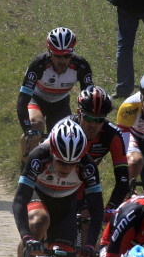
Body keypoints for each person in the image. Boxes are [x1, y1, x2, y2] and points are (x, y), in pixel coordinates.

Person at [13, 119, 104, 257]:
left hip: (65, 204)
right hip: (39, 195)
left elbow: (97, 209)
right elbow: (20, 199)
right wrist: (26, 237)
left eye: (72, 163)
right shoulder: (39, 156)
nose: (66, 168)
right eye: (61, 161)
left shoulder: (87, 166)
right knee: (38, 222)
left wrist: (89, 245)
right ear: (52, 152)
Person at [16, 27, 93, 166]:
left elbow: (89, 101)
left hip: (60, 104)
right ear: (50, 52)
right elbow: (22, 101)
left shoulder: (81, 65)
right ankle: (25, 170)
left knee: (65, 138)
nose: (62, 60)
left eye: (66, 56)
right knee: (36, 126)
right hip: (37, 100)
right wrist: (27, 129)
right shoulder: (39, 64)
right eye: (57, 55)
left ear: (72, 53)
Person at [71, 86, 129, 223]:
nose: (93, 124)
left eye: (99, 120)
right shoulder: (66, 128)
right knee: (40, 225)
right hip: (55, 181)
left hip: (85, 183)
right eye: (88, 118)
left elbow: (123, 180)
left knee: (89, 222)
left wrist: (110, 208)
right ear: (79, 113)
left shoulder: (111, 135)